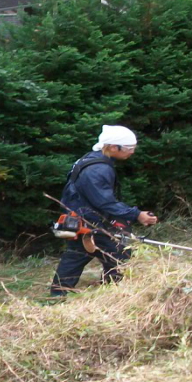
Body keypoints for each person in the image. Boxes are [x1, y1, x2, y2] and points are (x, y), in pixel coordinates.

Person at [49, 125, 158, 296]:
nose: (132, 152)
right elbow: (105, 202)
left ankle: (59, 295)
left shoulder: (91, 159)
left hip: (82, 217)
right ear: (114, 147)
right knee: (119, 257)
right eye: (130, 148)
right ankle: (113, 292)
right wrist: (137, 214)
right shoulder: (97, 169)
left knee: (77, 256)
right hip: (90, 222)